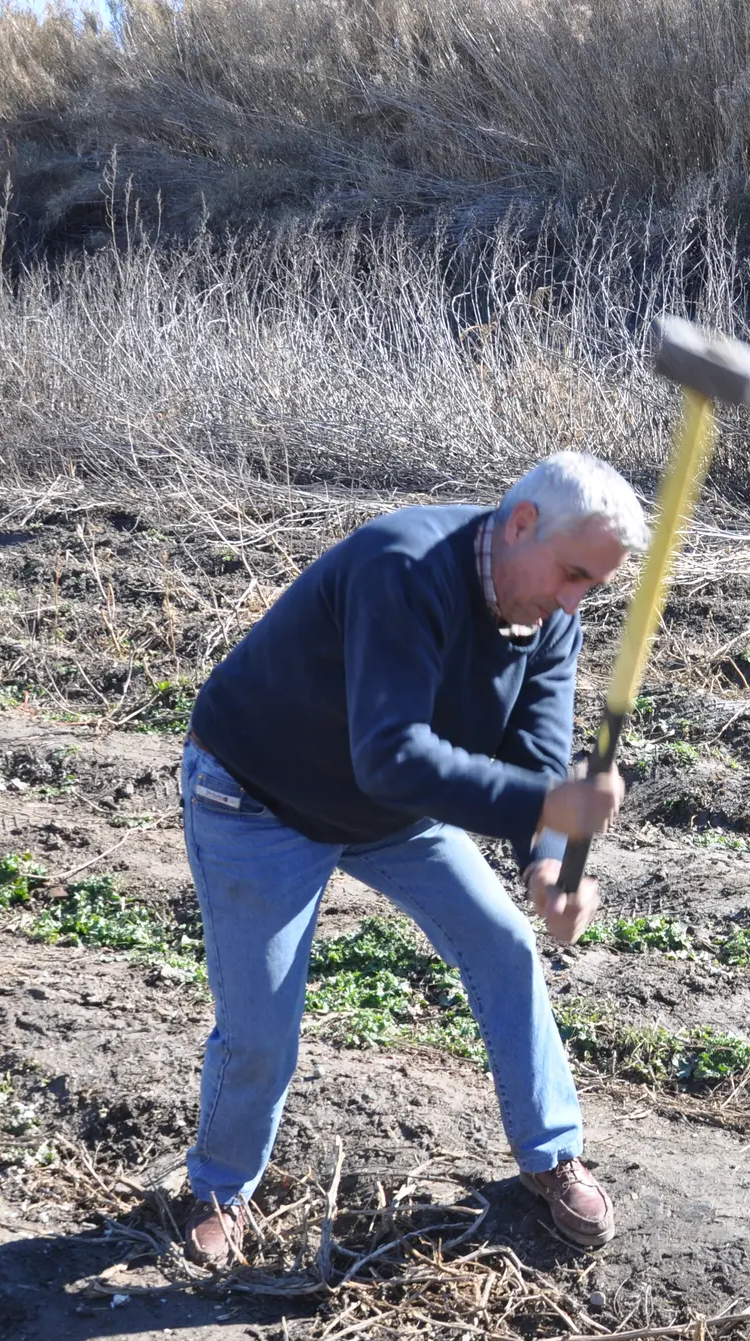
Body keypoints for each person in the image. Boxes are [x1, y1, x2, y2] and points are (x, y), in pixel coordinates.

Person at [174, 452, 645, 1265]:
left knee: (503, 940)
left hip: (387, 812)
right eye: (571, 574)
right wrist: (548, 807)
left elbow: (536, 759)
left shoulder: (551, 619)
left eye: (592, 588)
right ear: (522, 523)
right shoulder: (405, 566)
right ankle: (217, 1188)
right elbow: (390, 755)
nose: (574, 603)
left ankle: (550, 1153)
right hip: (258, 796)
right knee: (262, 1026)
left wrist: (546, 863)